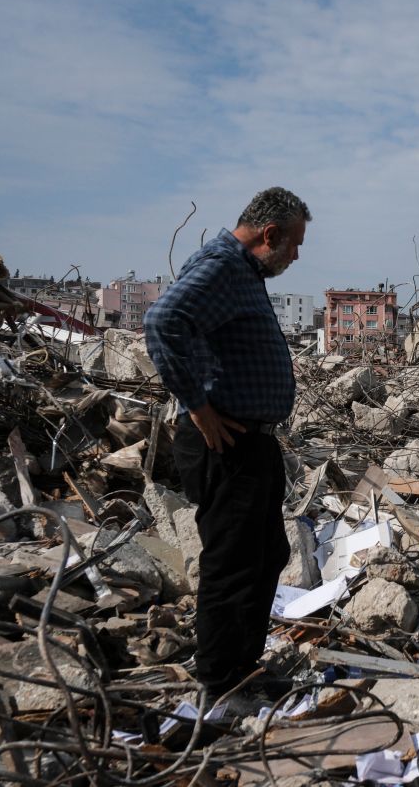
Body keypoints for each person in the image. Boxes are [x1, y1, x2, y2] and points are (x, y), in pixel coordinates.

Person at [144, 187, 310, 700]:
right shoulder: (222, 265)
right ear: (270, 234)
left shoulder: (242, 272)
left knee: (266, 553)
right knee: (234, 560)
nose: (297, 256)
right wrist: (197, 406)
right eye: (296, 244)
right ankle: (220, 680)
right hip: (225, 438)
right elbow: (163, 320)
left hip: (250, 440)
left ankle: (243, 667)